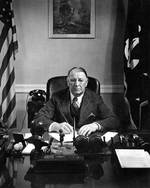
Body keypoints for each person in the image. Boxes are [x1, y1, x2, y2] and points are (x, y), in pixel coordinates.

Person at [33, 67, 120, 136]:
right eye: (73, 80)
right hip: (62, 143)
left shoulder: (95, 98)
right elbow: (38, 118)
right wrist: (55, 126)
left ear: (86, 83)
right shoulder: (57, 97)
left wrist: (95, 126)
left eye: (81, 80)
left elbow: (113, 120)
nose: (77, 84)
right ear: (67, 82)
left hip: (86, 143)